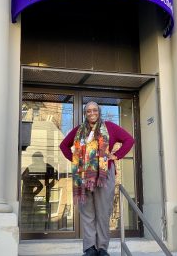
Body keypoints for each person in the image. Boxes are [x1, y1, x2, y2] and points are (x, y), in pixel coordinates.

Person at [60, 101, 134, 256]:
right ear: (85, 114)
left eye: (94, 110)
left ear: (99, 112)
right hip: (83, 176)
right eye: (88, 111)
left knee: (103, 213)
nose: (92, 113)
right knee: (87, 214)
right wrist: (75, 160)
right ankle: (89, 248)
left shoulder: (110, 127)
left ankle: (102, 248)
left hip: (104, 175)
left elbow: (129, 140)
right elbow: (63, 146)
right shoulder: (79, 130)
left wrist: (116, 156)